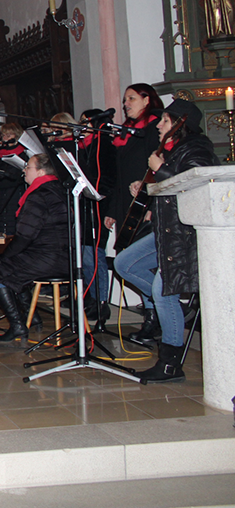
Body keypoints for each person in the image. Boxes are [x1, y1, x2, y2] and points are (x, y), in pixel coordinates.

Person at [113, 99, 219, 382]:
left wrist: (159, 171)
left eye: (165, 121)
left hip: (185, 234)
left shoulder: (198, 147)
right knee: (124, 263)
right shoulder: (170, 151)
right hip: (166, 230)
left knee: (163, 291)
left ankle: (171, 364)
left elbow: (197, 186)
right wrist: (148, 188)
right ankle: (174, 308)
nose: (158, 125)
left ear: (180, 126)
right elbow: (170, 189)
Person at [0, 154, 70, 341]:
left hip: (49, 257)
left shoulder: (39, 195)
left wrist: (5, 255)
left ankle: (17, 325)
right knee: (13, 266)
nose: (24, 170)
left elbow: (25, 236)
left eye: (28, 167)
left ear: (40, 172)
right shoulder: (60, 189)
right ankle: (33, 318)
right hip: (66, 256)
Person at [104, 84, 163, 340]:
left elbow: (156, 169)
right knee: (128, 260)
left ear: (147, 99)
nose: (126, 103)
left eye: (131, 98)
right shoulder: (127, 133)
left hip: (146, 205)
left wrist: (151, 204)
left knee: (143, 265)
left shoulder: (154, 127)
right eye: (125, 98)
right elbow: (119, 176)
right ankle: (153, 314)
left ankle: (154, 317)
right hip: (126, 204)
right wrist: (113, 210)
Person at [77, 109, 117, 323]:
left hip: (100, 206)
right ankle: (92, 298)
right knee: (85, 255)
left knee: (95, 254)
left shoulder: (105, 146)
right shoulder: (85, 146)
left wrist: (110, 210)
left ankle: (102, 302)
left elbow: (110, 179)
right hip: (85, 205)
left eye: (86, 122)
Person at [0, 123, 27, 236]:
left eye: (9, 135)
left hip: (15, 195)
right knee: (0, 227)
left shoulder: (23, 155)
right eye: (3, 135)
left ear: (17, 136)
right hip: (0, 196)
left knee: (13, 226)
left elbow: (14, 178)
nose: (5, 138)